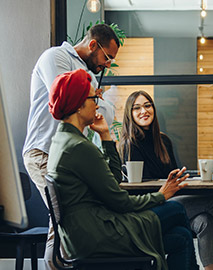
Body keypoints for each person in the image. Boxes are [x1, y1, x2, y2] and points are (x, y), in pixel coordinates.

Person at [46, 69, 198, 270]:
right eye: (93, 98)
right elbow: (120, 201)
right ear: (79, 105)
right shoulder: (78, 147)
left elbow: (113, 179)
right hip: (98, 235)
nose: (97, 104)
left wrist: (106, 136)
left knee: (182, 237)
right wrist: (162, 195)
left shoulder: (62, 141)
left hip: (83, 234)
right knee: (177, 209)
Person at [22, 24, 120, 269]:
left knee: (69, 215)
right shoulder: (55, 57)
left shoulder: (90, 74)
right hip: (43, 151)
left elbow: (104, 115)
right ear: (93, 45)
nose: (108, 64)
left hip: (67, 157)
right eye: (107, 57)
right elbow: (64, 99)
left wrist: (94, 98)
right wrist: (95, 97)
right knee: (64, 215)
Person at [120, 90, 213, 270]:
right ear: (129, 114)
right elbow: (139, 190)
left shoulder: (163, 141)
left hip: (171, 201)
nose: (143, 111)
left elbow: (174, 177)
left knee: (205, 221)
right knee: (212, 202)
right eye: (137, 108)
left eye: (147, 105)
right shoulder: (129, 144)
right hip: (151, 207)